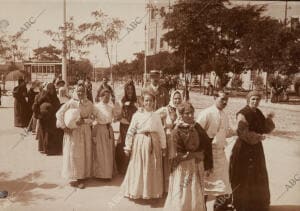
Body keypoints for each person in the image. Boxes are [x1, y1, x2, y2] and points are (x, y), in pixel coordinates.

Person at [229, 90, 275, 211]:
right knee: (244, 175)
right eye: (253, 99)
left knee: (257, 174)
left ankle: (256, 204)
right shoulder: (243, 114)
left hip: (256, 149)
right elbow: (242, 132)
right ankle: (242, 204)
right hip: (243, 148)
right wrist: (258, 137)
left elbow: (265, 128)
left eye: (257, 99)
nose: (255, 102)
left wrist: (269, 118)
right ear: (248, 100)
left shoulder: (258, 112)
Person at [163, 102, 213, 211]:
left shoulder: (197, 127)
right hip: (183, 168)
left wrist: (208, 164)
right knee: (183, 193)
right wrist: (195, 154)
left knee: (195, 193)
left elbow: (207, 143)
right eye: (187, 113)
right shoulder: (176, 131)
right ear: (181, 115)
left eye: (192, 113)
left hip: (196, 166)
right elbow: (176, 155)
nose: (190, 115)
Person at [121, 90, 166, 199]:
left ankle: (151, 192)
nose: (148, 103)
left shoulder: (156, 116)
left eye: (151, 101)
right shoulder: (137, 115)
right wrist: (128, 146)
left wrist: (163, 146)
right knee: (139, 166)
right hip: (140, 143)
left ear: (154, 102)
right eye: (146, 101)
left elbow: (161, 132)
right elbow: (131, 131)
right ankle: (137, 191)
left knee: (151, 167)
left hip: (153, 143)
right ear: (142, 102)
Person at [196, 91, 236, 210]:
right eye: (222, 99)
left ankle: (219, 209)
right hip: (208, 155)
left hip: (221, 154)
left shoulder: (224, 115)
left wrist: (238, 131)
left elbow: (225, 132)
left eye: (226, 100)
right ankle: (201, 208)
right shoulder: (206, 113)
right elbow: (197, 132)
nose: (225, 102)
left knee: (223, 185)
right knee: (204, 185)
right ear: (214, 98)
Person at [56, 80, 98, 189]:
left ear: (85, 92)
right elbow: (59, 113)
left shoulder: (89, 104)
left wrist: (84, 121)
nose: (80, 93)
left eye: (82, 91)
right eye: (78, 91)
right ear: (75, 91)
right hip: (74, 132)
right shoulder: (71, 103)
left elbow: (93, 117)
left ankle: (83, 175)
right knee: (75, 154)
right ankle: (78, 177)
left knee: (85, 153)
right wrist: (64, 127)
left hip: (85, 131)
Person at [156, 90, 183, 193]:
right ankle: (166, 188)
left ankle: (176, 187)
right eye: (175, 98)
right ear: (172, 98)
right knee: (168, 163)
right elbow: (153, 116)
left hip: (180, 141)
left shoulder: (183, 110)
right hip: (168, 138)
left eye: (179, 98)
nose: (177, 100)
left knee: (178, 163)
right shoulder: (165, 109)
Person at [92, 89, 118, 179]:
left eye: (108, 97)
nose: (107, 98)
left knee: (109, 152)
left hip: (109, 130)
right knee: (100, 152)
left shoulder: (111, 107)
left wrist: (116, 117)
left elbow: (115, 118)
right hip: (100, 130)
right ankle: (100, 174)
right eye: (105, 96)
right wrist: (94, 134)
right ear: (101, 96)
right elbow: (92, 119)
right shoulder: (96, 107)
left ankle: (108, 174)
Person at [33, 83, 63, 155]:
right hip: (45, 119)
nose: (51, 91)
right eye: (49, 89)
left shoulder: (55, 98)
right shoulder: (43, 97)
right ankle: (46, 149)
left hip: (53, 118)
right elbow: (36, 105)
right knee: (45, 134)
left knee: (53, 134)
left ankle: (54, 150)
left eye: (53, 89)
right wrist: (38, 115)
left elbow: (58, 106)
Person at [115, 80, 137, 174]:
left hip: (135, 127)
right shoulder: (121, 102)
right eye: (128, 89)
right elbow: (117, 118)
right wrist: (125, 119)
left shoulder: (137, 102)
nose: (130, 91)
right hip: (124, 127)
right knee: (124, 146)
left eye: (131, 89)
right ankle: (123, 169)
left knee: (134, 146)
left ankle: (133, 168)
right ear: (125, 90)